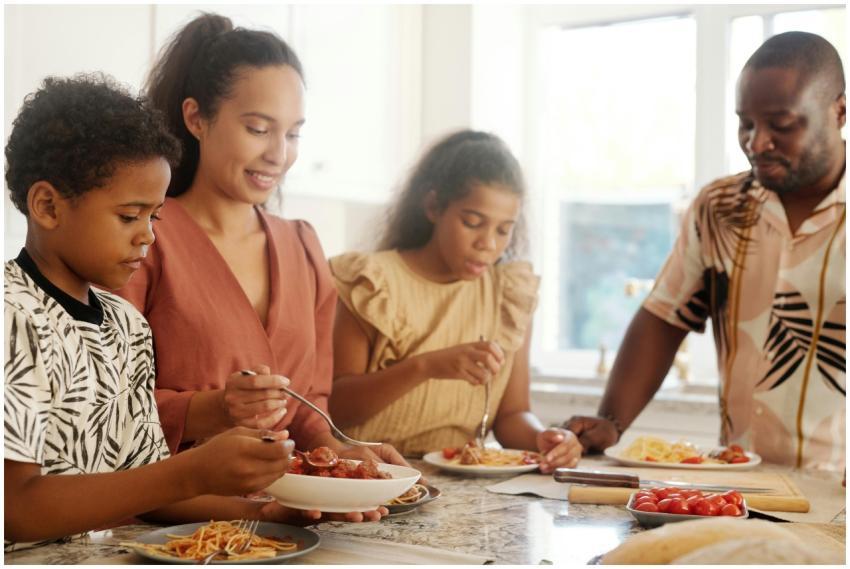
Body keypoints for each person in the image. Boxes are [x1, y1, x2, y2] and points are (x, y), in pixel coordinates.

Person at [3, 74, 375, 550]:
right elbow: (14, 507)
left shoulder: (127, 326)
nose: (148, 236)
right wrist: (189, 471)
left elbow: (144, 488)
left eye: (154, 216)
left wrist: (272, 512)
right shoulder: (12, 315)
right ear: (48, 206)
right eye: (128, 216)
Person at [115, 13, 404, 470]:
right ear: (196, 118)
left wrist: (343, 451)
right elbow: (107, 405)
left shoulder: (303, 247)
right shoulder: (144, 238)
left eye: (293, 133)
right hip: (175, 520)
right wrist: (209, 410)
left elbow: (308, 404)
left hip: (283, 514)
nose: (279, 154)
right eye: (258, 129)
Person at [565, 31, 845, 472]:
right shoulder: (718, 207)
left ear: (839, 111)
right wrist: (611, 421)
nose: (757, 142)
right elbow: (663, 317)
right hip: (739, 483)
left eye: (781, 124)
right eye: (746, 124)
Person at [328, 130, 583, 473]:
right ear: (433, 207)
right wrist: (425, 367)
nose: (488, 244)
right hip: (370, 475)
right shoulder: (372, 282)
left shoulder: (509, 293)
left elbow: (511, 415)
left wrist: (544, 438)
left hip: (460, 481)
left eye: (503, 230)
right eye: (473, 222)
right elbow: (336, 408)